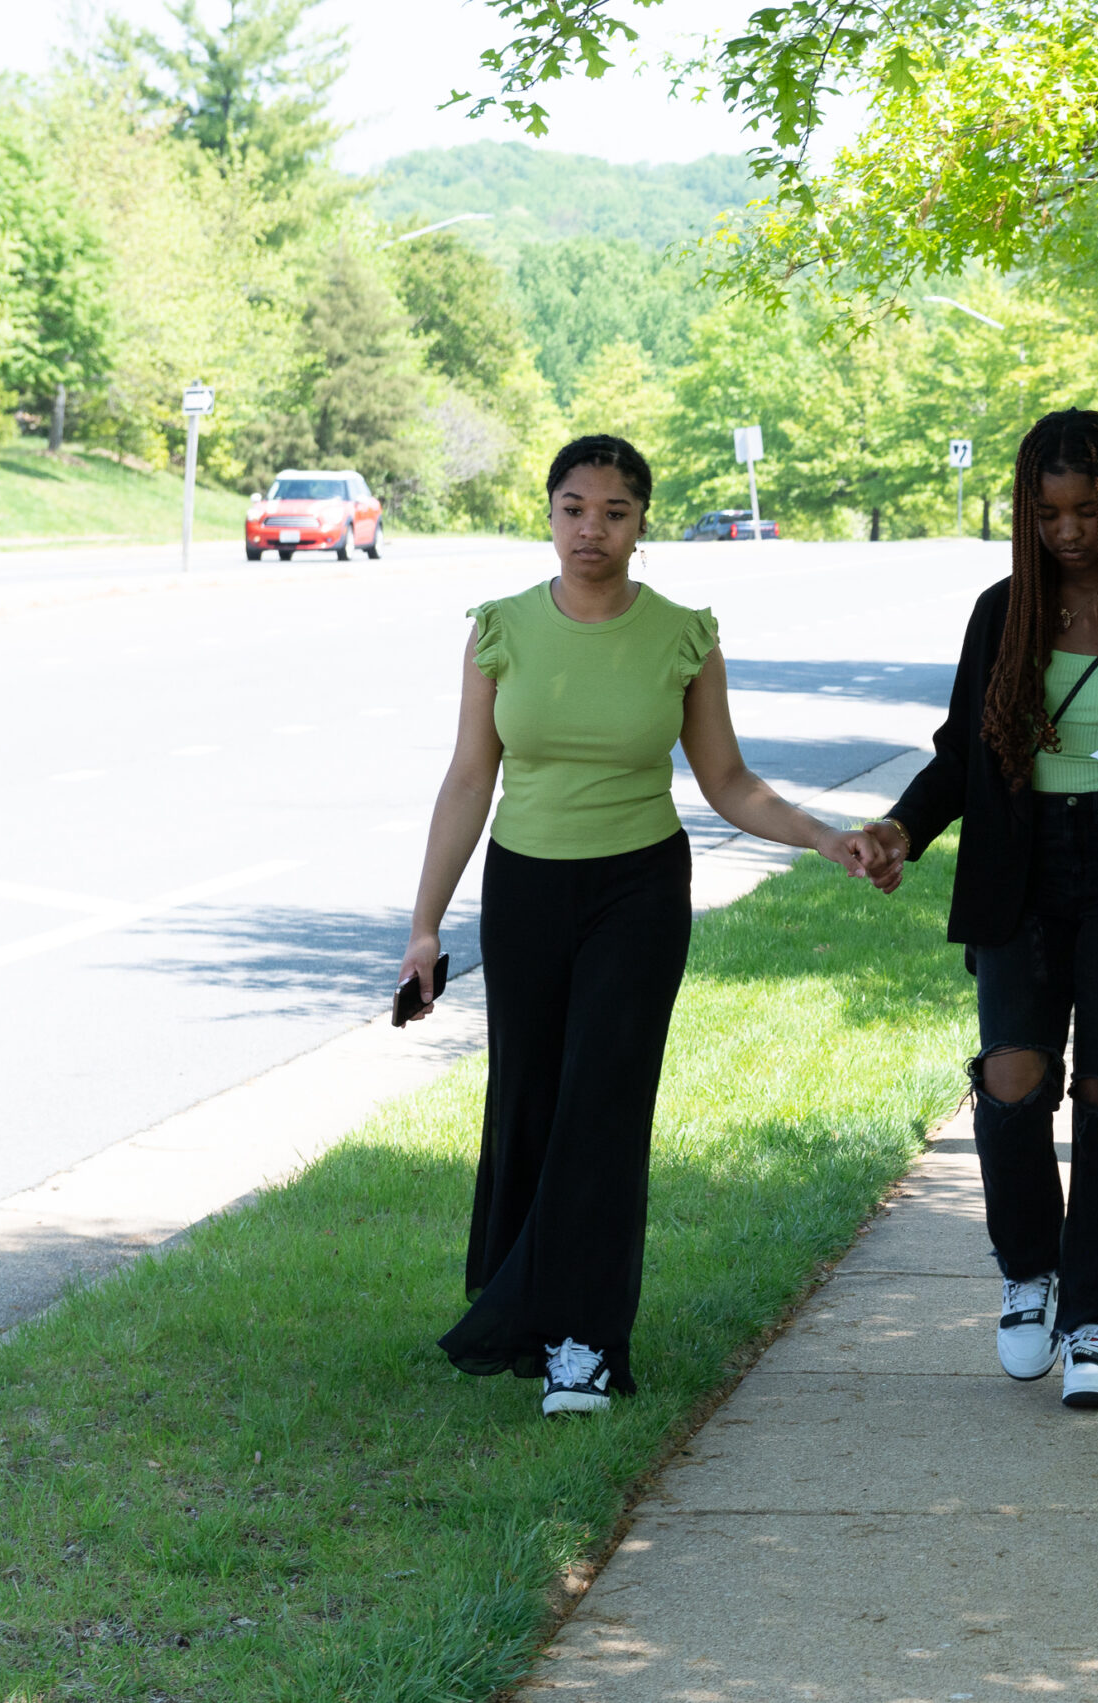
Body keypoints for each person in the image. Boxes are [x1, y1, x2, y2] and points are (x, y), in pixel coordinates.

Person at [400, 434, 875, 1420]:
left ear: (642, 521)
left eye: (614, 511)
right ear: (549, 510)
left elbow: (729, 779)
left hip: (637, 891)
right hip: (525, 889)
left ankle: (587, 1339)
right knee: (531, 1098)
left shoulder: (682, 635)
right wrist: (423, 926)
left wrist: (822, 835)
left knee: (602, 1106)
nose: (591, 529)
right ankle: (530, 1307)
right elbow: (464, 779)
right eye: (574, 507)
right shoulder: (500, 629)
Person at [840, 409, 1098, 1411]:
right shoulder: (1000, 612)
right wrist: (899, 832)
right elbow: (962, 756)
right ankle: (1028, 1273)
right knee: (1011, 1079)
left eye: (1087, 509)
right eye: (1047, 513)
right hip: (1022, 868)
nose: (1068, 530)